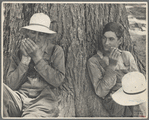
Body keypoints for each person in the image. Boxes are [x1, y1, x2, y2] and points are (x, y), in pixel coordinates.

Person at [3, 13, 65, 117]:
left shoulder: (56, 51)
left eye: (41, 34)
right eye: (33, 32)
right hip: (20, 97)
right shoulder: (20, 52)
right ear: (28, 33)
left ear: (47, 36)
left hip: (43, 101)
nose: (36, 38)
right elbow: (11, 85)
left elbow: (58, 80)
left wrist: (37, 59)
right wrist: (25, 60)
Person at [87, 22, 139, 117]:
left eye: (111, 39)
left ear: (120, 41)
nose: (106, 43)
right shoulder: (94, 61)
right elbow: (100, 92)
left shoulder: (126, 56)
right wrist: (111, 66)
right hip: (114, 106)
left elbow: (137, 83)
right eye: (104, 38)